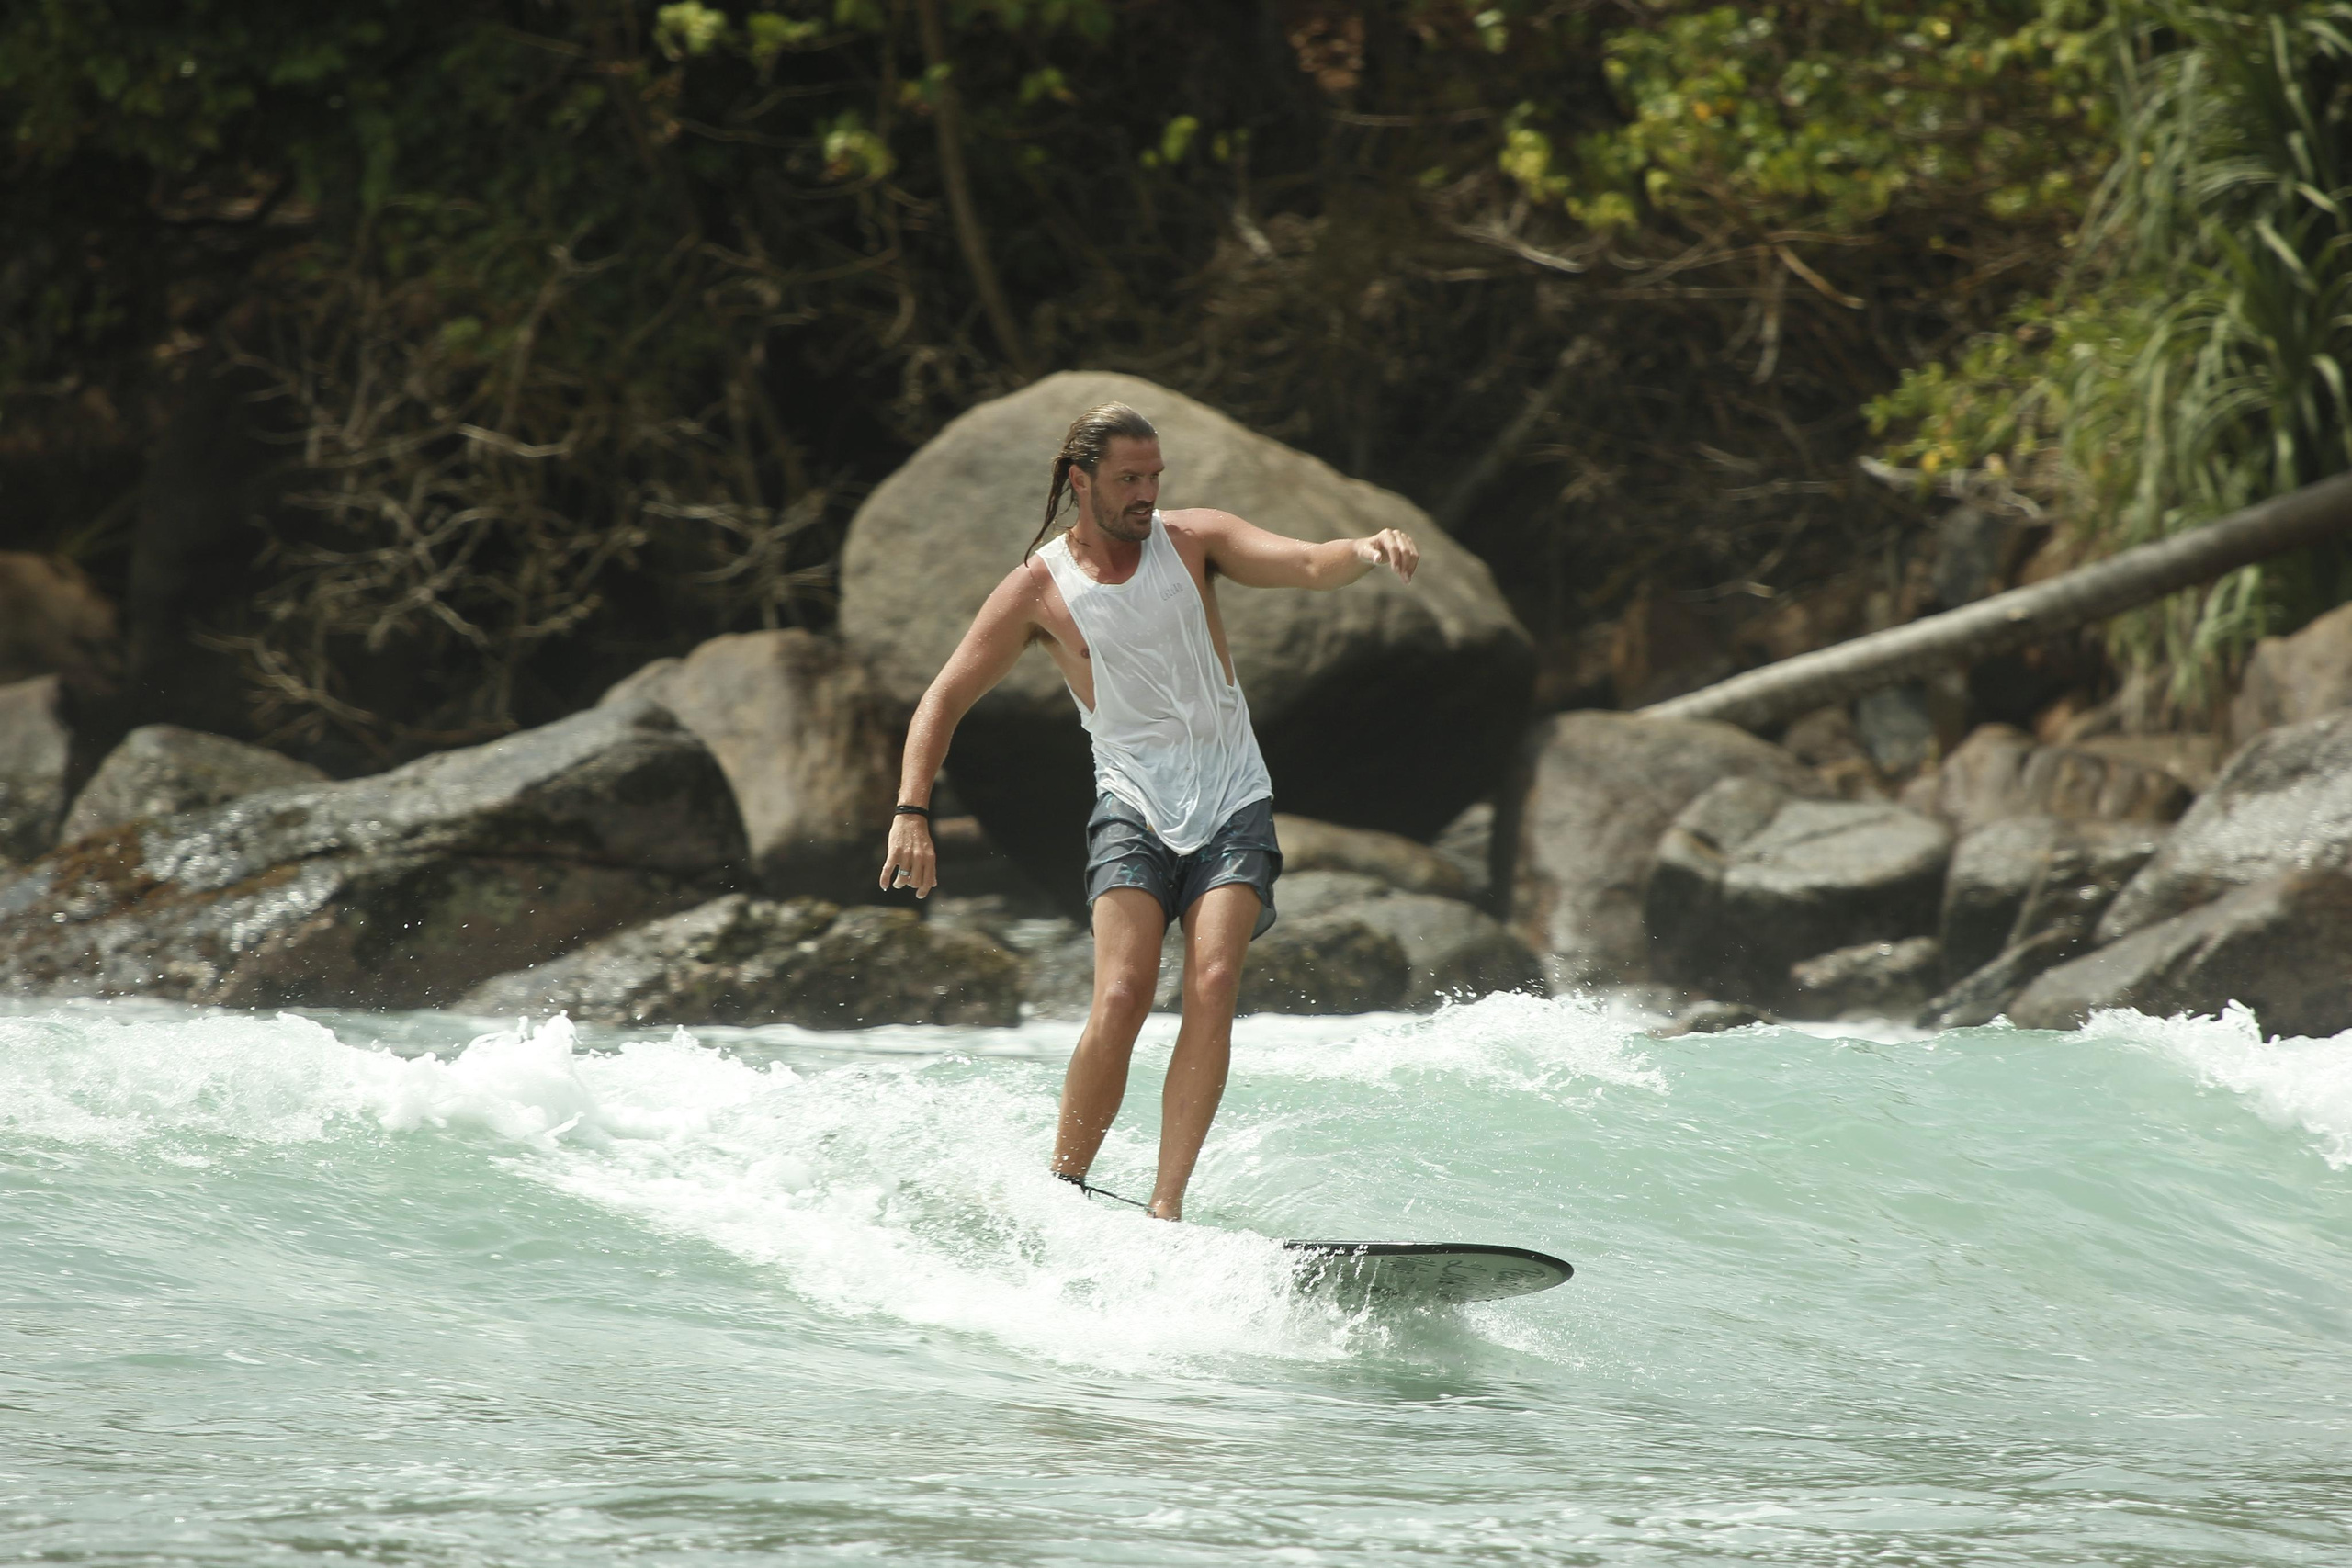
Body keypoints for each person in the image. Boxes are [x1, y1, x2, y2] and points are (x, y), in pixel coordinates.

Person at [877, 401, 1419, 1220]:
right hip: (1132, 804)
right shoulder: (1038, 589)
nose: (1145, 494)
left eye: (1154, 476)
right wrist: (911, 808)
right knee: (1124, 993)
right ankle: (1060, 1189)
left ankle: (1165, 1211)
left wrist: (1365, 549)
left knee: (1211, 977)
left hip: (1234, 797)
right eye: (1128, 479)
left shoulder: (1192, 540)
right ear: (1078, 480)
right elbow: (943, 698)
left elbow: (1308, 563)